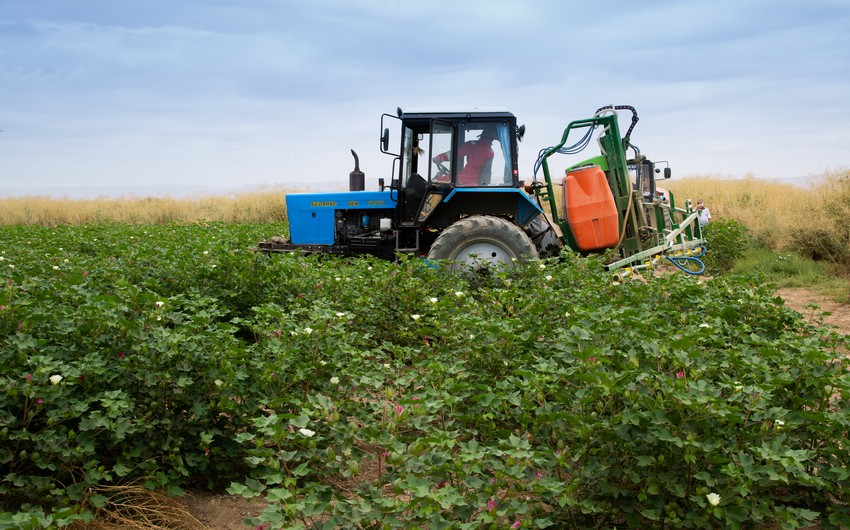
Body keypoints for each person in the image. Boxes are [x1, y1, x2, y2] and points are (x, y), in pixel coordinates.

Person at [433, 127, 498, 186]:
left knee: (436, 182)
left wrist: (440, 157)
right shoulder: (490, 152)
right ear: (491, 139)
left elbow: (456, 153)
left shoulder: (473, 145)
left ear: (482, 136)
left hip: (467, 179)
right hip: (474, 180)